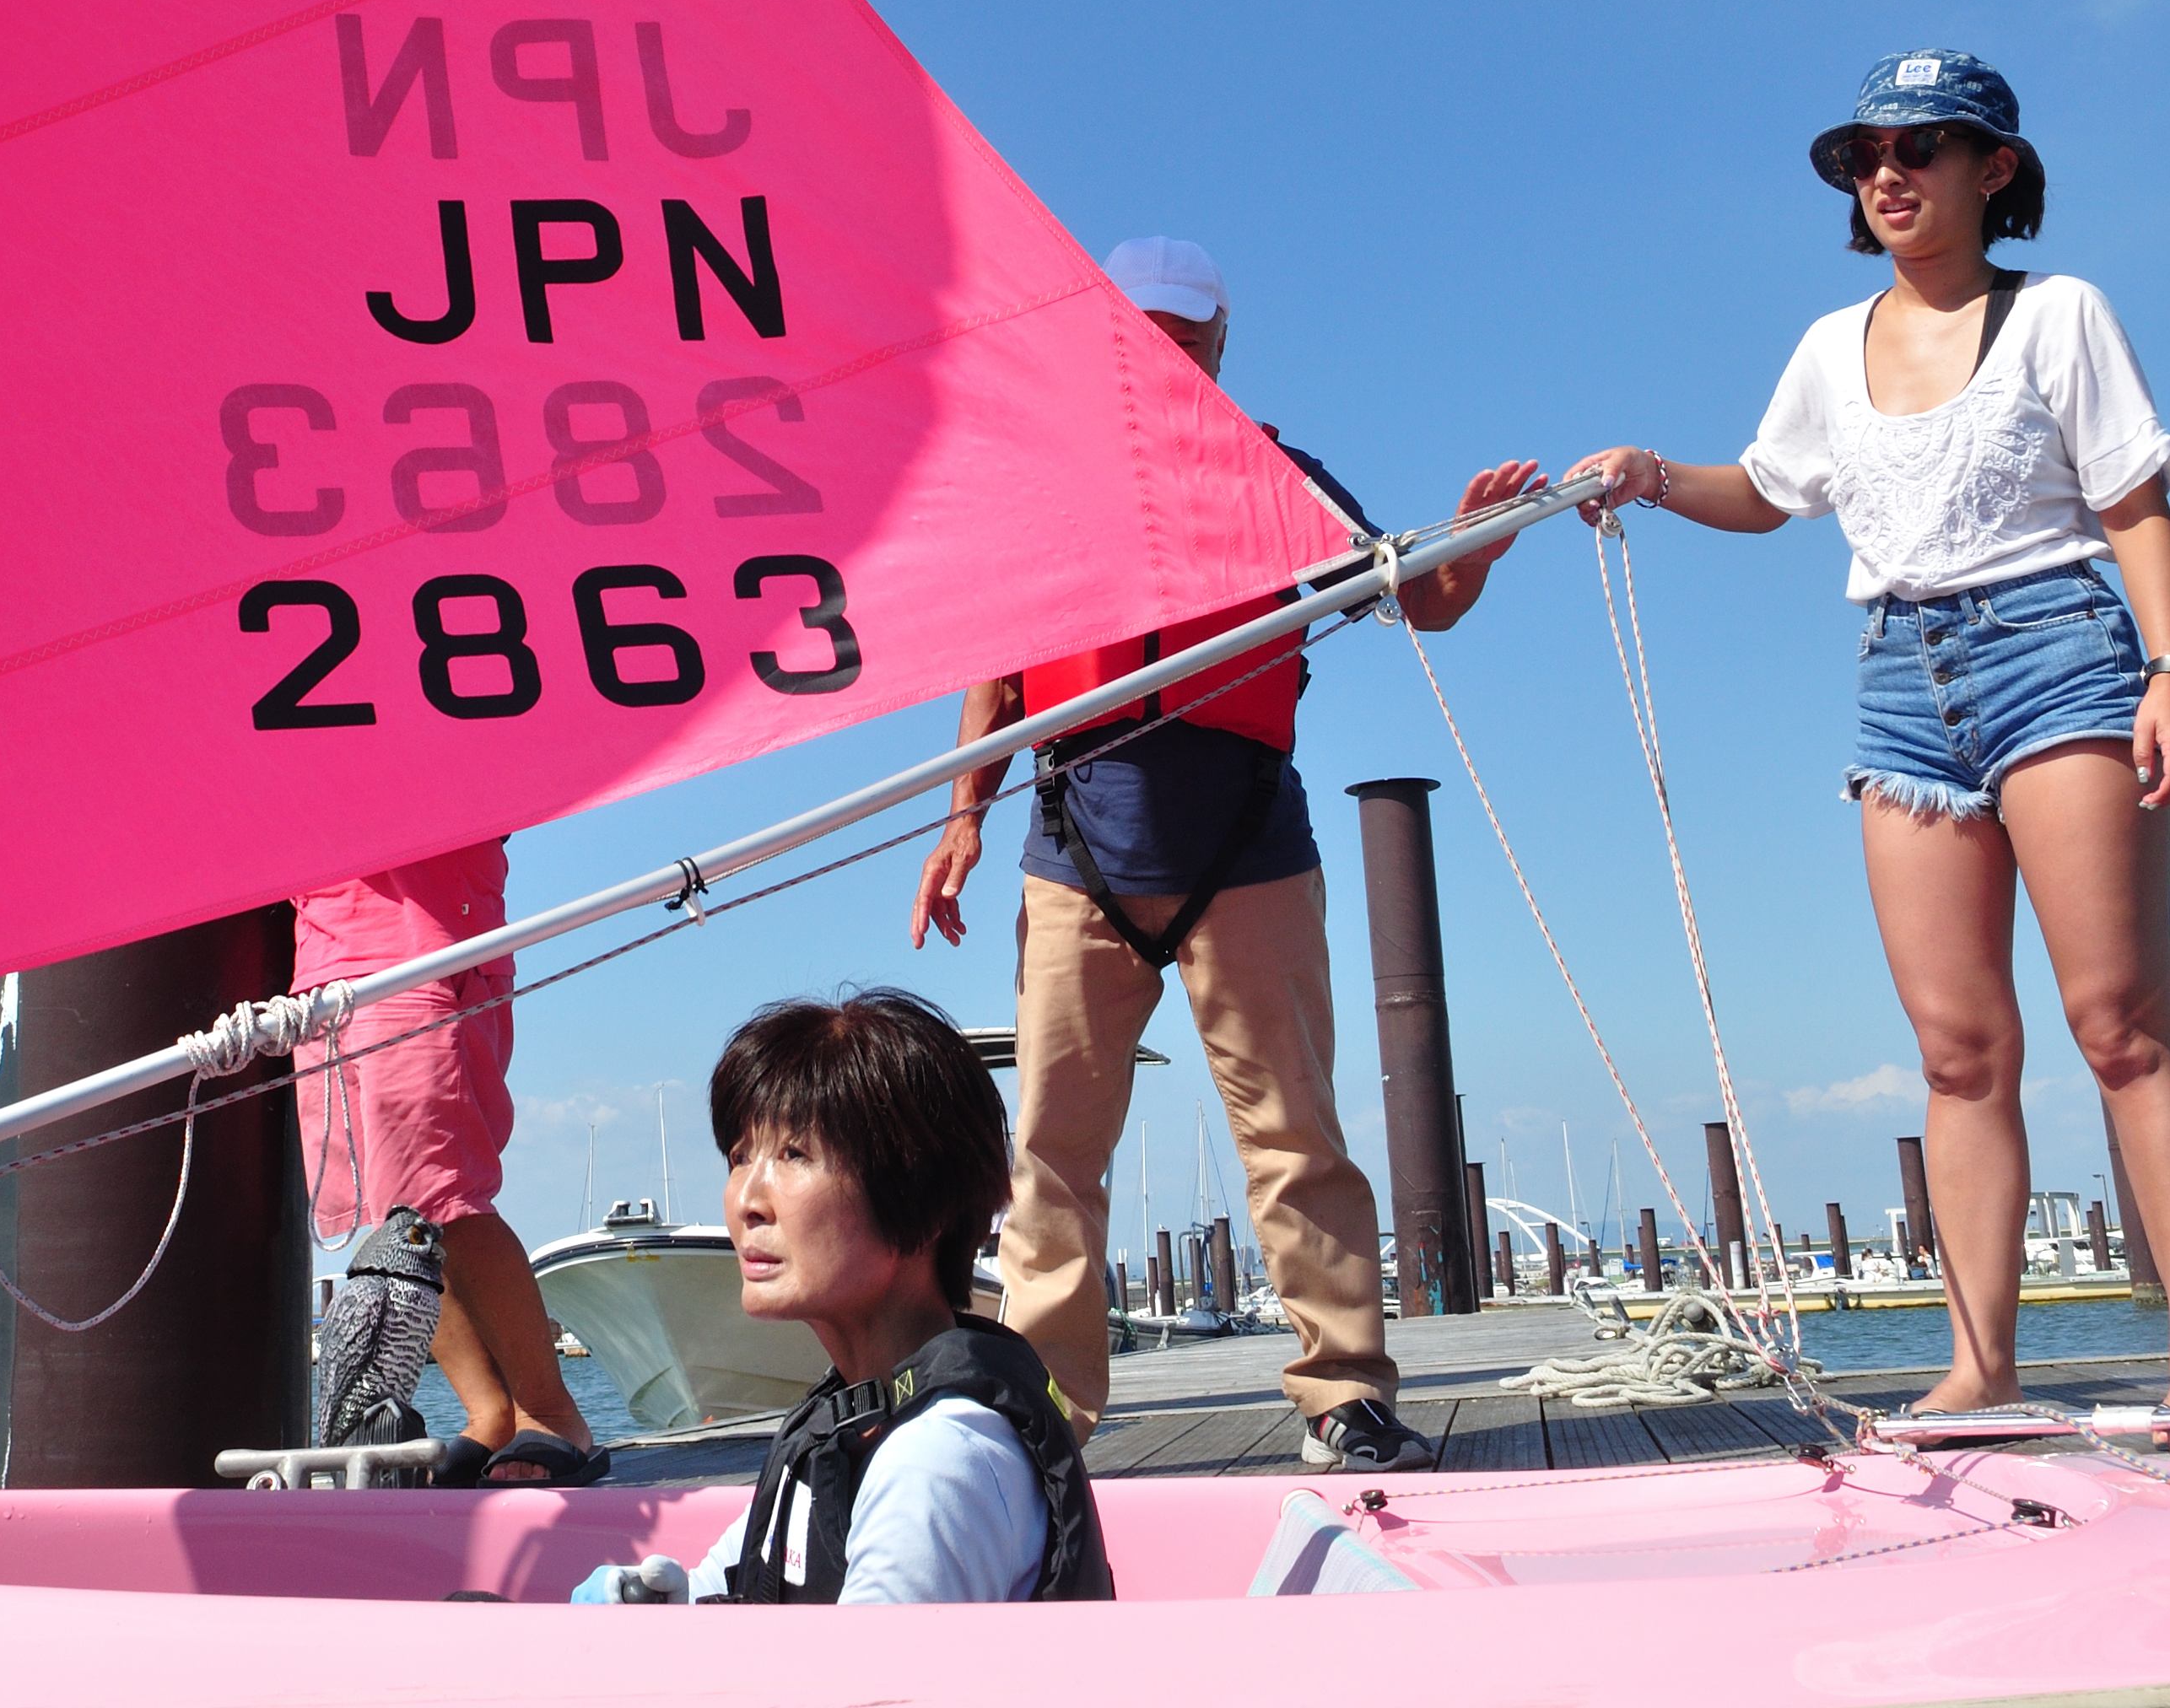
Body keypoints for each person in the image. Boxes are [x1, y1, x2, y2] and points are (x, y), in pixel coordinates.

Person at [1563, 50, 2170, 1409]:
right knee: (1958, 1051)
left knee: (2118, 1025)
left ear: (1993, 169)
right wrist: (1650, 475)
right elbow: (1765, 489)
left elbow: (2134, 510)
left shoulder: (2061, 315)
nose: (1888, 174)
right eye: (1866, 155)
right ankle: (1978, 1370)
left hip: (2058, 653)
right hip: (1899, 684)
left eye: (1920, 148)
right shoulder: (1828, 345)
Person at [910, 236, 1541, 1474]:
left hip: (1247, 850)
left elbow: (1421, 601)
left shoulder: (1280, 480)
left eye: (1187, 340)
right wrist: (963, 817)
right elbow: (994, 670)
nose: (1163, 359)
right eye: (1139, 336)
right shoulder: (1034, 484)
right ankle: (1048, 1420)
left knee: (1296, 1136)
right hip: (1077, 850)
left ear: (1220, 345)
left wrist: (1472, 548)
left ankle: (1344, 1391)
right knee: (1050, 1158)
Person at [571, 988, 1109, 1604]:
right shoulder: (845, 1424)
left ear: (923, 1198)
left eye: (793, 1154)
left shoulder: (937, 1461)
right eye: (740, 1156)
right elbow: (732, 1583)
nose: (747, 1199)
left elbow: (863, 1693)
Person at [289, 839, 604, 1484]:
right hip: (323, 968)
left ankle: (549, 1412)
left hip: (421, 949)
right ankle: (489, 1414)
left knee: (439, 1200)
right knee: (397, 1226)